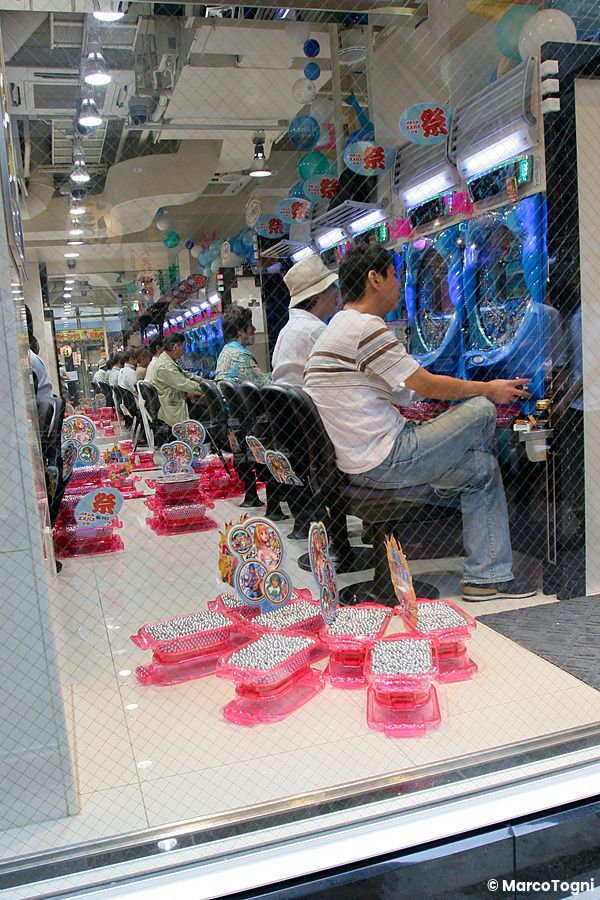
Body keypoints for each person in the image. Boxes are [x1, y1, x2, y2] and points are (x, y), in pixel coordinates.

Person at [304, 244, 535, 603]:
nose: (400, 286)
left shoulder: (337, 328)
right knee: (482, 411)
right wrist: (489, 388)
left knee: (481, 469)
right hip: (386, 459)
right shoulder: (365, 328)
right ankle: (471, 533)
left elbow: (400, 392)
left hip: (360, 463)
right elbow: (425, 384)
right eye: (396, 276)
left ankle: (485, 577)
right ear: (374, 279)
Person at [272, 255, 339, 387]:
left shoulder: (287, 330)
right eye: (332, 287)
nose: (336, 292)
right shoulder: (316, 331)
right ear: (319, 295)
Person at [153, 332, 206, 427]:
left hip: (177, 404)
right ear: (175, 347)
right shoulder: (165, 366)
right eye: (183, 347)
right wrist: (207, 390)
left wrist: (203, 381)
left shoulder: (167, 361)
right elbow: (184, 383)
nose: (184, 351)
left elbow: (186, 375)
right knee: (209, 413)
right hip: (175, 411)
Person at [215, 305, 271, 385]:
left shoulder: (226, 351)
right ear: (239, 330)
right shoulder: (241, 356)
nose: (254, 329)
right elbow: (267, 386)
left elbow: (256, 376)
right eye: (250, 325)